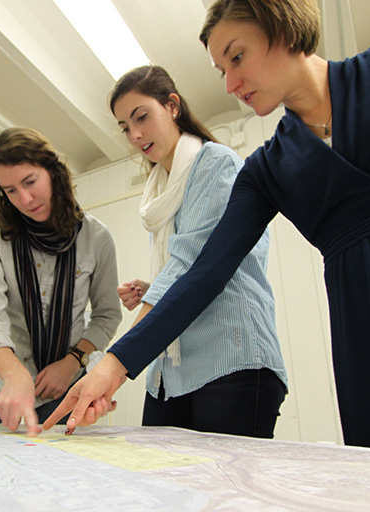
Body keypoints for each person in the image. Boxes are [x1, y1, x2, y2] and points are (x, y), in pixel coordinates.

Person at [45, 0, 370, 464]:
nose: (229, 83)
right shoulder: (267, 169)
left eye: (236, 56)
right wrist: (114, 366)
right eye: (220, 68)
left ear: (283, 24)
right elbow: (204, 273)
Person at [108, 65, 288, 438]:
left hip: (229, 360)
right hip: (172, 370)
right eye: (126, 127)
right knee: (166, 487)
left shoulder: (215, 163)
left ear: (172, 106)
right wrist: (152, 285)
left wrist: (112, 364)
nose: (135, 134)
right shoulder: (161, 189)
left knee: (231, 492)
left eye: (141, 117)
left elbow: (193, 265)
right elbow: (180, 265)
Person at [0, 127, 122, 434]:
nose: (25, 198)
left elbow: (107, 315)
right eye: (10, 190)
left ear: (52, 172)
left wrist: (73, 361)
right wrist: (14, 372)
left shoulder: (97, 239)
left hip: (62, 393)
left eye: (30, 182)